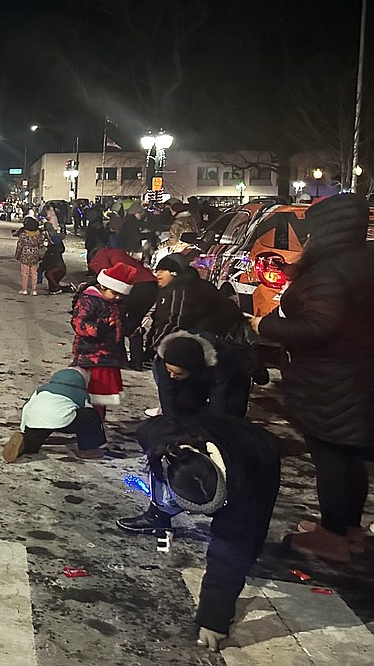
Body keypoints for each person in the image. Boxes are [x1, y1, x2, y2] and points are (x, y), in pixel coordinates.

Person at [254, 193, 374, 562]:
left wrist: (265, 324)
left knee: (332, 457)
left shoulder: (331, 271)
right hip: (356, 375)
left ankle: (334, 534)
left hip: (332, 383)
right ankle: (347, 527)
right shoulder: (363, 260)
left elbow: (320, 326)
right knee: (348, 456)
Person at [116, 414, 280, 652]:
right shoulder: (160, 436)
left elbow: (229, 554)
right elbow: (150, 433)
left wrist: (214, 619)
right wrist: (157, 465)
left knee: (247, 537)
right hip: (208, 428)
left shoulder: (245, 489)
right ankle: (159, 513)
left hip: (258, 450)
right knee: (161, 495)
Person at [145, 253, 244, 358]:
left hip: (210, 334)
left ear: (174, 273)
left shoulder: (181, 290)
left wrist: (154, 346)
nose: (158, 274)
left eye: (163, 270)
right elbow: (160, 319)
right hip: (202, 332)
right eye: (157, 270)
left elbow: (175, 321)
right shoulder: (170, 289)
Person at [70, 261, 134, 418]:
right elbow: (79, 324)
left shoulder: (113, 302)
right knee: (92, 393)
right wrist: (100, 328)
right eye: (115, 293)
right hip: (91, 355)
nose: (117, 297)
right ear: (103, 286)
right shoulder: (89, 300)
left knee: (101, 396)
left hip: (108, 355)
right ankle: (89, 421)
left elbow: (118, 322)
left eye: (121, 295)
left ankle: (97, 421)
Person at [2, 367, 106, 462]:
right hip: (61, 419)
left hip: (36, 417)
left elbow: (27, 407)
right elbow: (88, 412)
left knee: (36, 435)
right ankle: (88, 450)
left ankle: (25, 443)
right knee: (90, 416)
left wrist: (24, 429)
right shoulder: (80, 393)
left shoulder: (42, 389)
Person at [89, 246, 158, 370]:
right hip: (151, 286)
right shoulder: (117, 251)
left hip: (134, 287)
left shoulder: (101, 254)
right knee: (134, 322)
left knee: (117, 321)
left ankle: (120, 359)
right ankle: (136, 361)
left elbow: (105, 276)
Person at [153, 330, 251, 417]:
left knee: (232, 410)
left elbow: (218, 399)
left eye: (178, 373)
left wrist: (214, 431)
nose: (172, 375)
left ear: (193, 368)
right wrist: (172, 425)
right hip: (197, 375)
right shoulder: (167, 359)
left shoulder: (220, 361)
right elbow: (166, 395)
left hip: (235, 377)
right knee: (183, 404)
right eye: (169, 371)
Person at [13, 216, 48, 296]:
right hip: (35, 254)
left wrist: (17, 255)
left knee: (25, 273)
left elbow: (19, 245)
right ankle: (34, 290)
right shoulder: (38, 234)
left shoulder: (23, 234)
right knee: (34, 273)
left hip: (25, 254)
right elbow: (41, 245)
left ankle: (24, 289)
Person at [39, 230, 69, 294]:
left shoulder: (52, 251)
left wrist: (41, 267)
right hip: (60, 269)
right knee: (52, 287)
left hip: (57, 269)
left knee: (48, 274)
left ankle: (57, 288)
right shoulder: (57, 249)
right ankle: (66, 288)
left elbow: (47, 260)